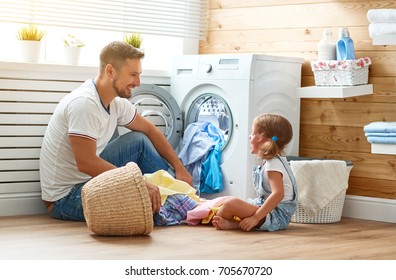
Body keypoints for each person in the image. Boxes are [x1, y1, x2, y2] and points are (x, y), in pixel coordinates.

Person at [39, 41, 192, 221]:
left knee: (138, 141)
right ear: (110, 71)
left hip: (88, 180)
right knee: (142, 204)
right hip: (65, 198)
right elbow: (86, 163)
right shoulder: (84, 104)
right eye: (133, 75)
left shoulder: (115, 102)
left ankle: (182, 194)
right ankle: (180, 203)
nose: (138, 82)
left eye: (139, 75)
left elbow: (149, 130)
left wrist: (179, 167)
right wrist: (138, 183)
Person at [211, 114, 297, 232]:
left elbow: (278, 194)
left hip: (276, 215)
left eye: (253, 134)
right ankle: (236, 224)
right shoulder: (272, 161)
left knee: (230, 204)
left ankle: (239, 224)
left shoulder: (273, 164)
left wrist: (256, 217)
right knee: (226, 203)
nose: (249, 136)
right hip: (268, 210)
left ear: (263, 138)